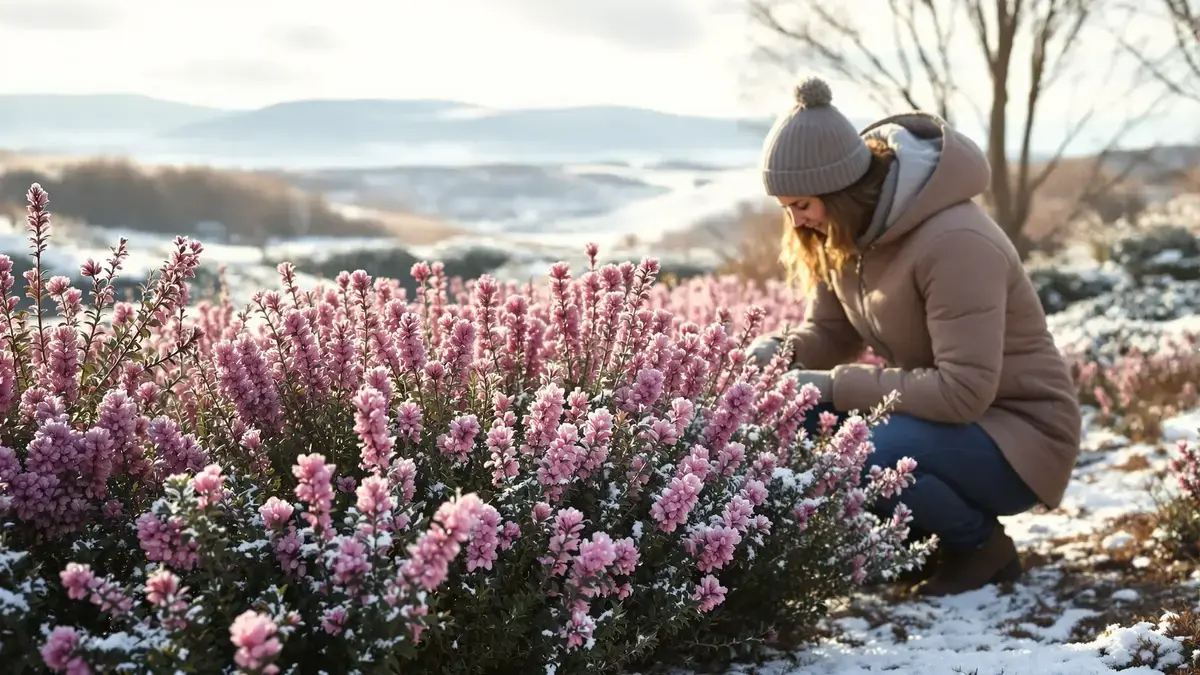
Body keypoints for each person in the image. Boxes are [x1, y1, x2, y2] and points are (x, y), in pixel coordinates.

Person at [748, 75, 1082, 596]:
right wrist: (777, 355)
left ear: (842, 191)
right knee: (787, 414)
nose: (796, 222)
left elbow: (963, 391)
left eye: (804, 205)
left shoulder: (956, 242)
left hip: (1019, 435)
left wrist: (833, 385)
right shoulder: (847, 233)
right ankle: (913, 540)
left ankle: (980, 548)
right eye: (785, 208)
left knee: (863, 447)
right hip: (944, 421)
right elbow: (830, 334)